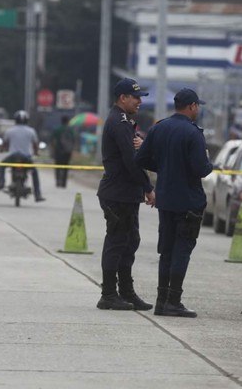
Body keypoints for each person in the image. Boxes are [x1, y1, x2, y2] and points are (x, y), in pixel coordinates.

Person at [136, 88, 213, 318]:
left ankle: (161, 301)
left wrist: (165, 167)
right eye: (197, 106)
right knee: (182, 250)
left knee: (166, 251)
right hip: (188, 201)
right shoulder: (193, 133)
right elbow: (201, 169)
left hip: (166, 199)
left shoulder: (158, 128)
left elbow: (141, 158)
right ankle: (174, 300)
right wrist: (208, 163)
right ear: (191, 106)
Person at [96, 77, 155, 311]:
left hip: (126, 193)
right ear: (123, 98)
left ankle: (127, 292)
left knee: (130, 241)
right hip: (118, 192)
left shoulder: (126, 121)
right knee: (117, 242)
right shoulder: (119, 122)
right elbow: (131, 160)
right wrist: (148, 187)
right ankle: (108, 294)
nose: (139, 101)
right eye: (136, 97)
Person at [0, 110, 45, 202]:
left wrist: (1, 149)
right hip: (26, 158)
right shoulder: (31, 131)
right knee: (34, 173)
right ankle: (37, 195)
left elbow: (4, 144)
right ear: (27, 120)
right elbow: (35, 145)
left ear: (15, 120)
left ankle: (1, 183)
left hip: (13, 157)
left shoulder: (10, 131)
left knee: (2, 165)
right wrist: (37, 152)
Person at [50, 115, 75, 188]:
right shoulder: (70, 130)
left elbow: (52, 140)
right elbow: (73, 140)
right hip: (67, 152)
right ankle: (64, 183)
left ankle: (58, 181)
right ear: (67, 122)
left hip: (58, 151)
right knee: (65, 167)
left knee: (58, 167)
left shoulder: (57, 129)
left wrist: (53, 149)